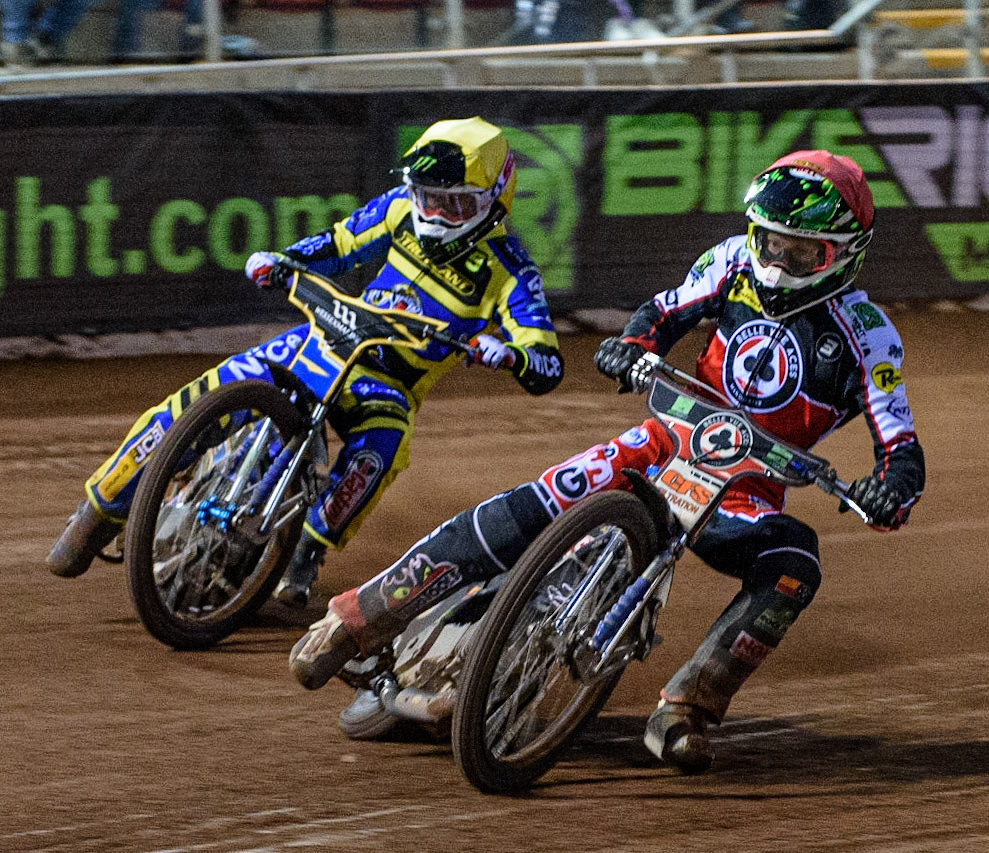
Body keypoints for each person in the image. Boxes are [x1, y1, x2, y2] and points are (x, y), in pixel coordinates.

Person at [288, 149, 925, 773]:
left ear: (844, 253)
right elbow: (664, 310)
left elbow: (899, 442)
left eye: (802, 251)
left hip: (745, 493)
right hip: (665, 439)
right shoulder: (732, 262)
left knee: (795, 566)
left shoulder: (868, 333)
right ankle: (361, 614)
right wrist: (631, 344)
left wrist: (889, 490)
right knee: (544, 497)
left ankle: (689, 709)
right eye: (770, 242)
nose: (779, 262)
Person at [47, 117, 564, 606]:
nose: (433, 213)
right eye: (427, 197)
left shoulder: (512, 272)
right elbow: (340, 244)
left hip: (388, 384)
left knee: (380, 452)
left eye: (452, 204)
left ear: (493, 200)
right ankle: (97, 512)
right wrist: (284, 259)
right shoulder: (398, 210)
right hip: (323, 337)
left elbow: (547, 363)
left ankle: (306, 552)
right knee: (203, 395)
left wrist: (509, 354)